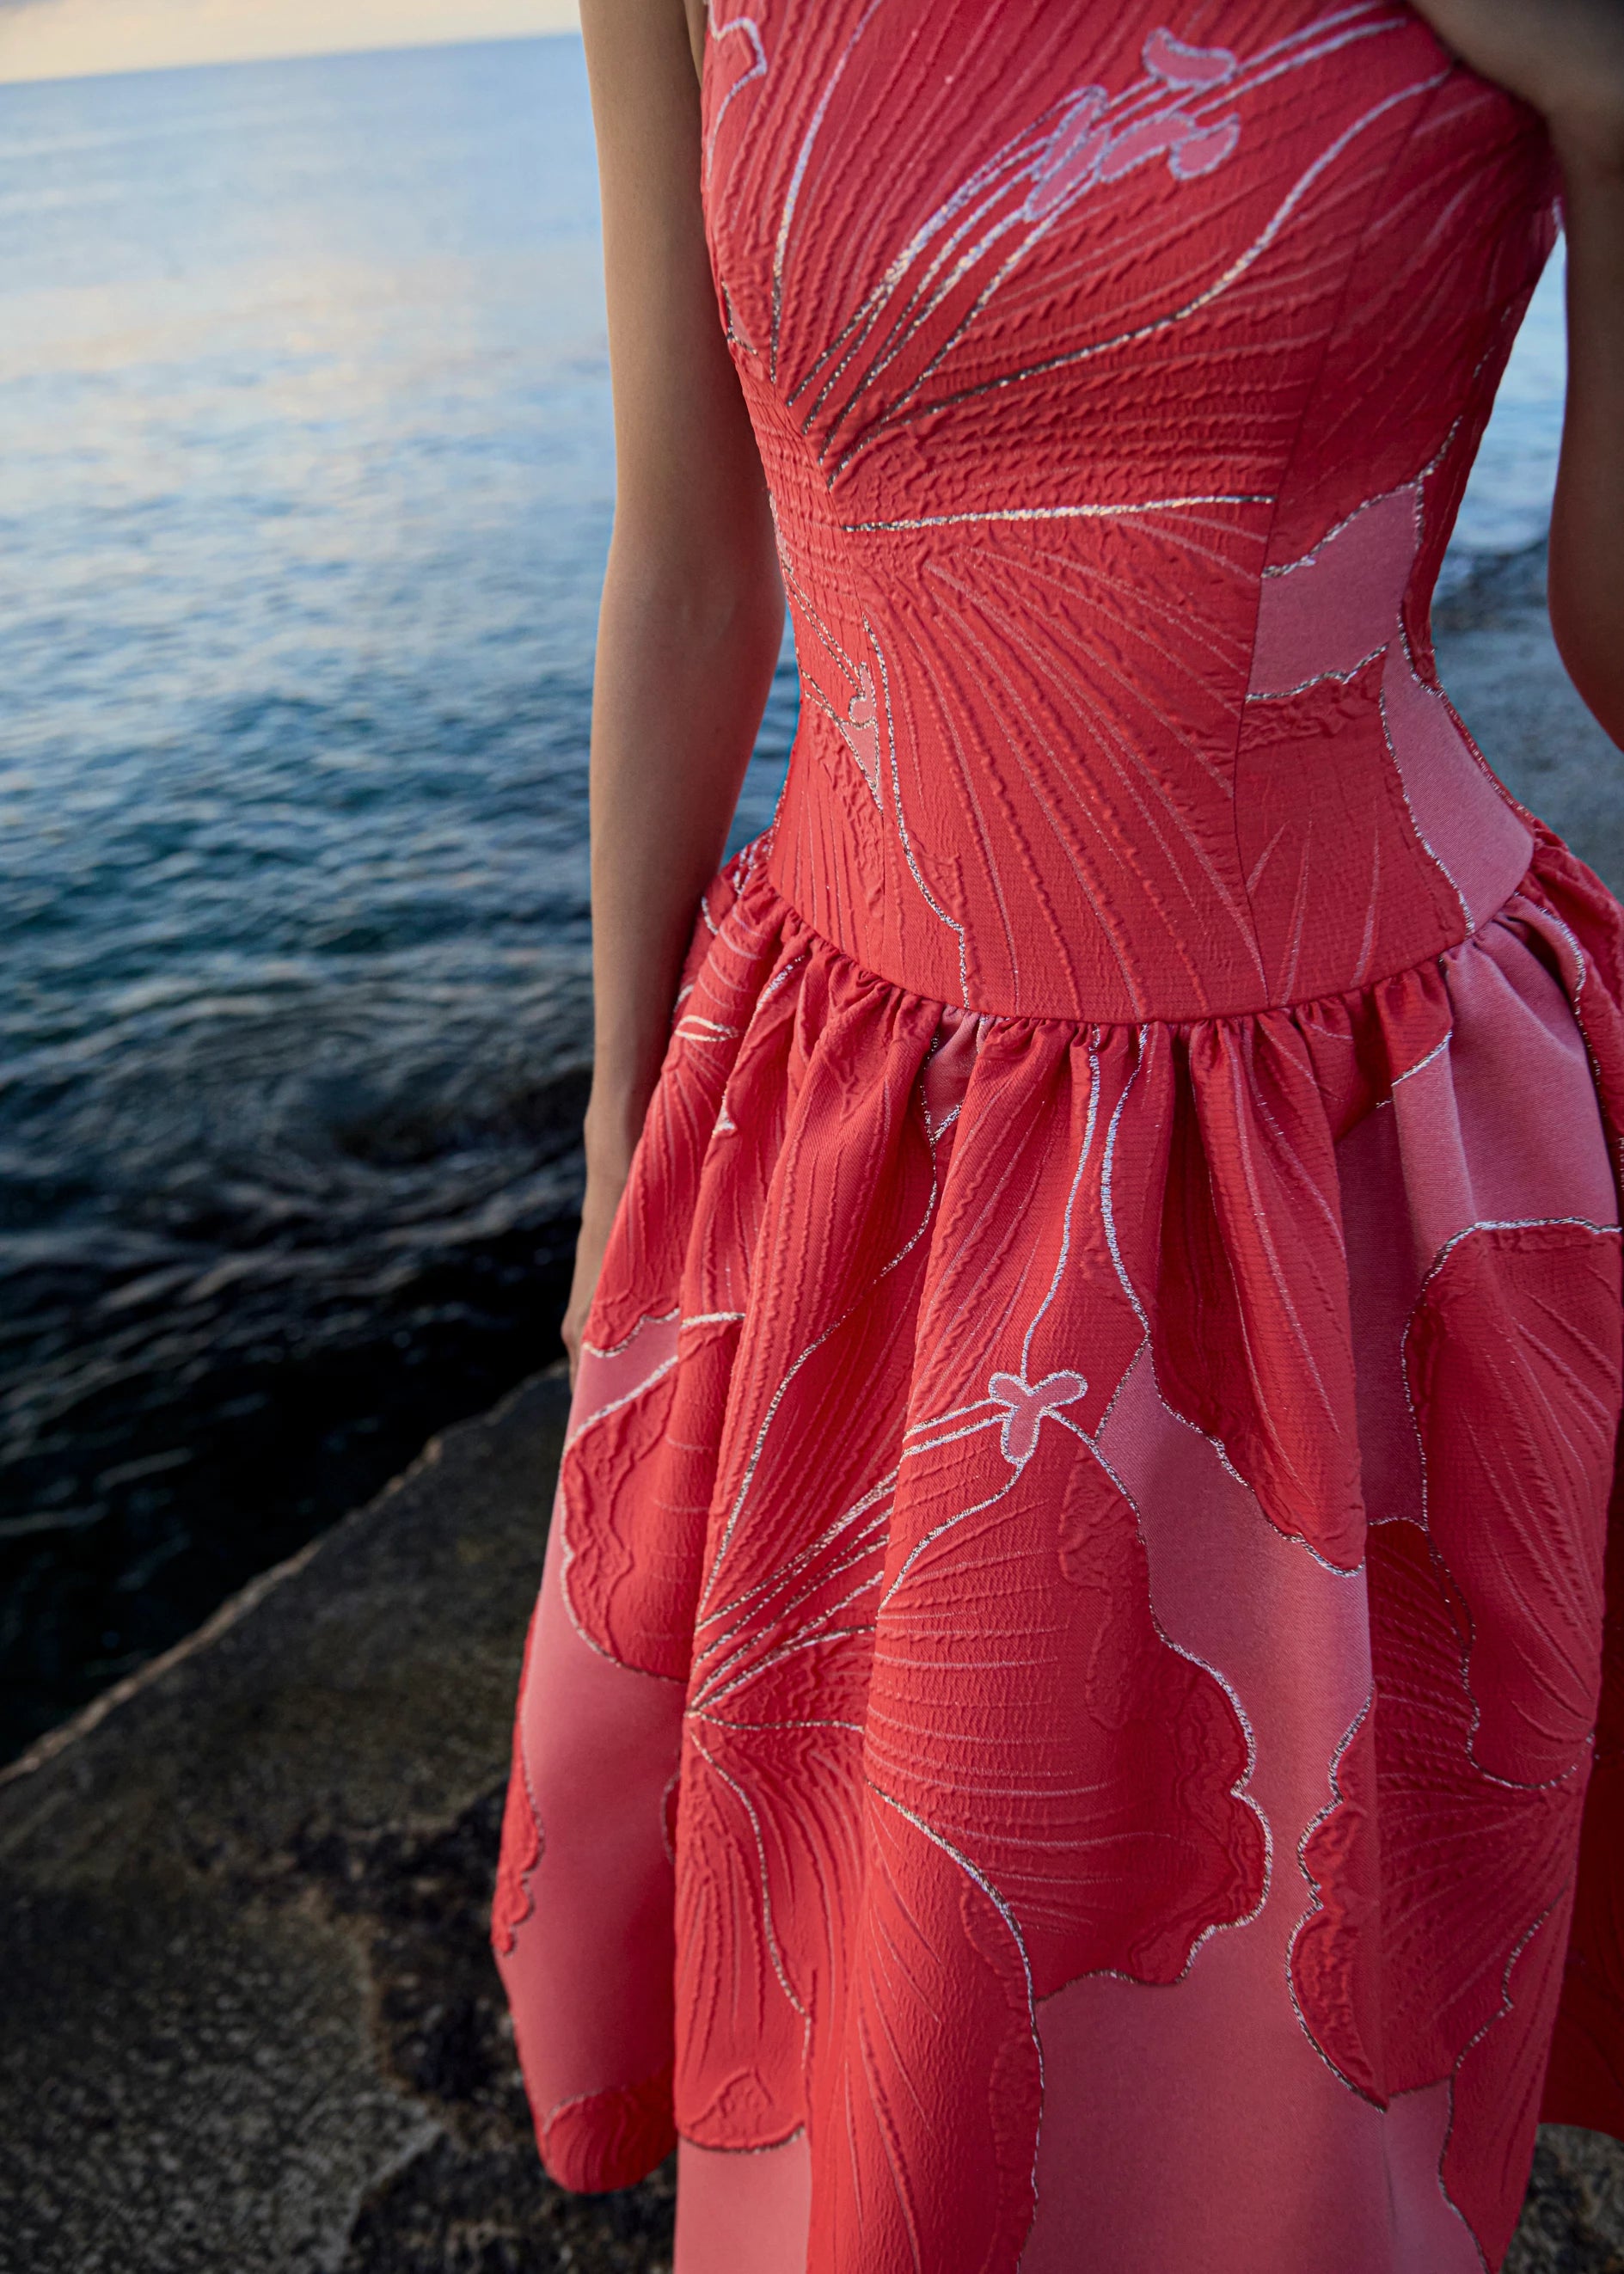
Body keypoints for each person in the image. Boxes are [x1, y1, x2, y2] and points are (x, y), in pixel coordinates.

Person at [493, 2, 1624, 2266]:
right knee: (877, 2077)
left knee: (1290, 2116)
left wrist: (1613, 101)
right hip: (850, 1144)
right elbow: (693, 561)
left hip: (1355, 1177)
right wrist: (627, 1118)